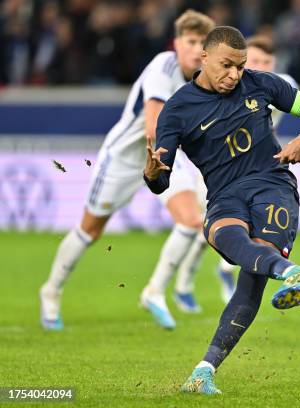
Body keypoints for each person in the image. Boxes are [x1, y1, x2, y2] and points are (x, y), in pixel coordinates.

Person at [143, 26, 300, 394]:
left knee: (253, 274)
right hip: (224, 196)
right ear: (204, 58)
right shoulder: (178, 110)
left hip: (273, 186)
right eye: (226, 66)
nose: (234, 75)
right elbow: (159, 182)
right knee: (225, 235)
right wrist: (151, 173)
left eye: (240, 66)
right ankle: (295, 273)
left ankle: (203, 373)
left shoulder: (262, 84)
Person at [39, 10, 234, 331]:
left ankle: (154, 291)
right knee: (90, 230)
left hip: (164, 157)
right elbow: (154, 126)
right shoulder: (163, 66)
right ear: (177, 43)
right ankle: (51, 290)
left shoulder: (206, 83)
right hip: (125, 158)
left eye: (202, 42)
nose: (196, 48)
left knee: (190, 221)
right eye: (190, 40)